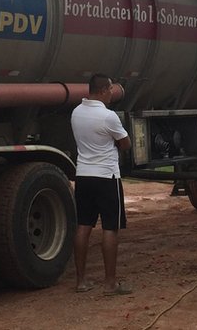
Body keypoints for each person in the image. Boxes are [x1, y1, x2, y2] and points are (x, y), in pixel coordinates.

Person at [71, 74, 132, 295]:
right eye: (111, 90)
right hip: (107, 177)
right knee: (110, 228)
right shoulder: (108, 116)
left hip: (83, 175)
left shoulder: (76, 112)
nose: (112, 94)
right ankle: (110, 283)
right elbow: (125, 144)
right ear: (104, 90)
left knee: (84, 226)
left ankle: (81, 281)